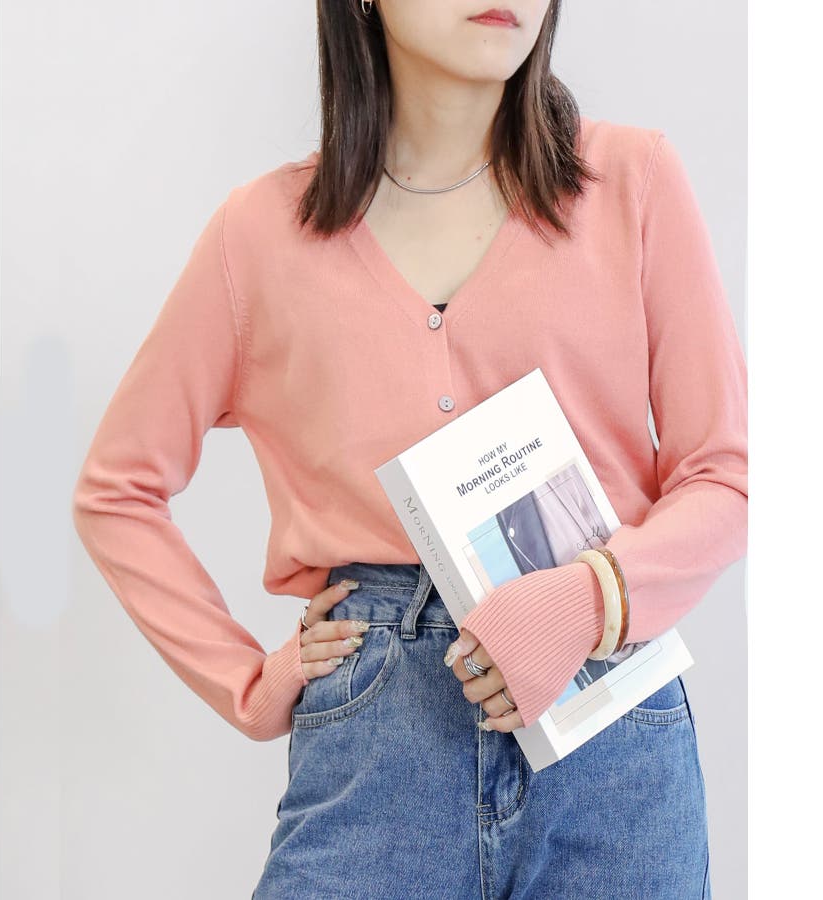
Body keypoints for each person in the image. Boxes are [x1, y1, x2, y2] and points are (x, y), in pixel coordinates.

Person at [71, 1, 747, 897]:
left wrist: (588, 600)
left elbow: (727, 474)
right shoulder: (260, 235)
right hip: (374, 737)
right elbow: (116, 491)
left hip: (610, 734)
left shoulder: (632, 181)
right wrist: (246, 682)